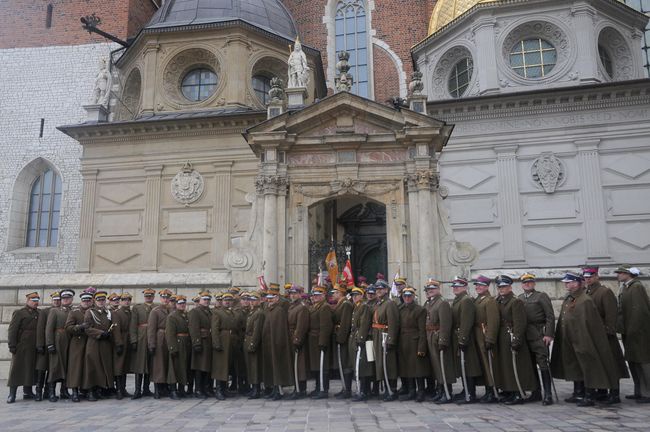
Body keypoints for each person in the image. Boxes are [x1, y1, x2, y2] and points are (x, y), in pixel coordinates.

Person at [551, 272, 619, 407]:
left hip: (584, 340)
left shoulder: (585, 300)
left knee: (589, 367)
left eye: (569, 282)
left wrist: (586, 340)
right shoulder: (570, 298)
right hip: (573, 339)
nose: (566, 284)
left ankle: (590, 395)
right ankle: (580, 392)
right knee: (578, 366)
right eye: (566, 282)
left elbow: (590, 323)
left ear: (577, 283)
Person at [583, 266, 629, 404]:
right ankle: (602, 391)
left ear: (597, 276)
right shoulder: (587, 292)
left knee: (611, 365)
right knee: (599, 365)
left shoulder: (604, 292)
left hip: (605, 336)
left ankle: (614, 394)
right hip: (593, 336)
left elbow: (611, 314)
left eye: (590, 276)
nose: (588, 279)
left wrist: (608, 331)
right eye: (585, 277)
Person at [493, 275, 538, 405]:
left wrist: (517, 340)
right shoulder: (499, 301)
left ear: (510, 287)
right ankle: (509, 390)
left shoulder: (515, 301)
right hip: (502, 337)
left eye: (504, 287)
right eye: (500, 287)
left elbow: (520, 323)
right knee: (506, 366)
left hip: (511, 335)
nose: (501, 289)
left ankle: (518, 393)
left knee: (516, 366)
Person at [518, 273, 555, 405]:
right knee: (530, 365)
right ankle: (536, 392)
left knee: (543, 364)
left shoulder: (541, 296)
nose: (527, 284)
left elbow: (550, 316)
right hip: (525, 335)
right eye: (524, 283)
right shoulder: (520, 298)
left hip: (539, 335)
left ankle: (548, 394)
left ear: (534, 283)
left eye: (530, 282)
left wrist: (549, 334)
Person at [615, 265, 650, 403]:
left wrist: (634, 329)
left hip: (638, 332)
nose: (618, 275)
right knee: (634, 362)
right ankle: (639, 391)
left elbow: (640, 311)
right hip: (629, 331)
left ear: (628, 274)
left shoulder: (636, 287)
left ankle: (647, 393)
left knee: (643, 361)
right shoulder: (626, 287)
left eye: (620, 273)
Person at [83, 290, 120, 401]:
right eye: (99, 300)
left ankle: (103, 389)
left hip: (105, 343)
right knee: (93, 367)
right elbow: (87, 328)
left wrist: (114, 339)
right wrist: (100, 333)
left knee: (105, 367)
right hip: (94, 343)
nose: (101, 302)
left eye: (103, 300)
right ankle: (91, 391)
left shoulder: (108, 312)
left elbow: (113, 327)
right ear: (95, 300)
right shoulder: (90, 312)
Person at [450, 277, 482, 404]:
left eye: (458, 286)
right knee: (463, 364)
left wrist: (463, 339)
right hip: (458, 336)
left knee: (468, 365)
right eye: (454, 286)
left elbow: (466, 322)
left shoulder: (466, 300)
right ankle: (466, 390)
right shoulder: (459, 300)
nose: (455, 288)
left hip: (465, 338)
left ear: (464, 287)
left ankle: (470, 393)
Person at [423, 279, 455, 404]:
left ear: (438, 289)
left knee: (443, 365)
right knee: (436, 366)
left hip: (438, 336)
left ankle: (447, 392)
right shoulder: (429, 303)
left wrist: (443, 340)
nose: (430, 291)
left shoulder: (442, 303)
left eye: (432, 289)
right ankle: (440, 390)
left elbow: (445, 324)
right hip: (430, 336)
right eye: (428, 289)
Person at [6, 292, 40, 404]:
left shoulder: (39, 313)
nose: (36, 302)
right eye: (33, 300)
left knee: (30, 369)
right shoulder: (19, 313)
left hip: (33, 346)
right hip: (21, 346)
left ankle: (28, 392)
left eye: (37, 300)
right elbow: (12, 330)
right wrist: (12, 345)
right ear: (28, 301)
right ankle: (12, 394)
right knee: (17, 370)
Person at [397, 286, 429, 402]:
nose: (407, 298)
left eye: (409, 296)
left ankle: (420, 391)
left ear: (413, 297)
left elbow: (422, 330)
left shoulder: (419, 310)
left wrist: (422, 347)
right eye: (405, 296)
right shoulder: (400, 309)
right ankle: (411, 391)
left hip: (415, 341)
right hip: (403, 341)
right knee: (407, 367)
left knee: (418, 368)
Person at [261, 283, 293, 399]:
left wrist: (278, 343)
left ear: (276, 298)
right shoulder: (269, 309)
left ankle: (278, 390)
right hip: (269, 343)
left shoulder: (279, 310)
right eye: (268, 298)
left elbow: (280, 329)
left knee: (277, 368)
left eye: (271, 298)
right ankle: (273, 389)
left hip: (276, 344)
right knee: (271, 368)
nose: (269, 300)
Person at [472, 275, 499, 404]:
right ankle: (488, 390)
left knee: (489, 364)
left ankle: (492, 392)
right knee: (483, 364)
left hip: (484, 334)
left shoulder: (489, 300)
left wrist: (490, 339)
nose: (478, 287)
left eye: (481, 285)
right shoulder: (478, 300)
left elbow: (493, 322)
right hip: (477, 334)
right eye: (476, 285)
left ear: (487, 287)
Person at [371, 279, 400, 401]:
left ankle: (392, 389)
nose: (378, 291)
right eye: (377, 289)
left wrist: (391, 340)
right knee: (381, 363)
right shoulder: (379, 303)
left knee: (389, 363)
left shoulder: (389, 304)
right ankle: (387, 388)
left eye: (381, 289)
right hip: (377, 335)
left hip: (385, 335)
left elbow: (393, 323)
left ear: (386, 290)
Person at [45, 289, 75, 402]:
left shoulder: (73, 311)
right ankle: (51, 392)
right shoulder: (55, 311)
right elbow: (49, 329)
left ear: (71, 299)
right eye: (64, 298)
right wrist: (50, 344)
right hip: (58, 341)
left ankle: (64, 391)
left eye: (68, 298)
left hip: (69, 341)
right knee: (55, 366)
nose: (66, 300)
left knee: (67, 366)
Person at [65, 290, 93, 402]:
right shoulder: (74, 312)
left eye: (88, 300)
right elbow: (68, 328)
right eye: (84, 300)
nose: (86, 302)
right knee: (76, 368)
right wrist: (80, 327)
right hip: (77, 343)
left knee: (89, 367)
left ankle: (89, 390)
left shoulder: (94, 312)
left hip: (90, 342)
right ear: (81, 301)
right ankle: (75, 392)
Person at [211, 292, 239, 400]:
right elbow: (214, 329)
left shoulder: (232, 313)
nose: (227, 302)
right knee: (220, 366)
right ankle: (219, 389)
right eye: (225, 300)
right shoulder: (217, 313)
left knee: (227, 365)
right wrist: (216, 343)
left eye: (229, 300)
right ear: (222, 301)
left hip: (231, 342)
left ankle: (224, 389)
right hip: (222, 341)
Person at [307, 285, 334, 399]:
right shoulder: (315, 306)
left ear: (323, 295)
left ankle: (324, 389)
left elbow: (325, 326)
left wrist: (322, 342)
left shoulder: (325, 307)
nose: (316, 297)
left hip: (320, 340)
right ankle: (318, 387)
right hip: (313, 340)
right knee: (317, 366)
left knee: (323, 366)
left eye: (318, 295)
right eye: (314, 295)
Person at [130, 288, 155, 399]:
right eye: (146, 296)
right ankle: (137, 390)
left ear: (153, 297)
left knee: (150, 364)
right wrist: (134, 340)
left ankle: (146, 388)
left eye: (150, 296)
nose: (148, 298)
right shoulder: (137, 308)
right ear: (144, 297)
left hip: (152, 339)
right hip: (140, 339)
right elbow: (133, 325)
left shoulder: (156, 308)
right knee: (139, 365)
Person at [35, 291, 60, 401]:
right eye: (55, 300)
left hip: (56, 345)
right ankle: (38, 392)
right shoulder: (45, 312)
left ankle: (49, 392)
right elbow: (40, 329)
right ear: (51, 300)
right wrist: (40, 344)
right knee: (41, 369)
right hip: (45, 346)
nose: (57, 302)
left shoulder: (62, 311)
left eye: (58, 300)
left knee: (52, 369)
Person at [286, 284, 310, 400]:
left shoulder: (302, 307)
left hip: (298, 338)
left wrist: (297, 340)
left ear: (300, 294)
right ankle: (297, 387)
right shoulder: (292, 306)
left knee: (300, 365)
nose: (293, 295)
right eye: (291, 293)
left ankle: (301, 389)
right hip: (290, 336)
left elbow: (301, 326)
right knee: (295, 364)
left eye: (295, 293)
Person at [148, 289, 173, 399]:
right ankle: (157, 389)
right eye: (163, 298)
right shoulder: (155, 311)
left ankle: (165, 387)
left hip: (170, 339)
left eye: (168, 298)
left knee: (168, 364)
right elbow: (151, 329)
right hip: (159, 339)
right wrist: (151, 344)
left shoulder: (173, 310)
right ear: (160, 298)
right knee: (159, 365)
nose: (166, 300)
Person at [166, 295, 191, 400]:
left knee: (183, 367)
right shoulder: (172, 316)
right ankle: (173, 390)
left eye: (184, 303)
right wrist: (172, 348)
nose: (182, 305)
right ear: (176, 305)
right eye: (180, 303)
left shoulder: (186, 315)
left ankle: (181, 389)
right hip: (177, 343)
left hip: (185, 344)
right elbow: (170, 334)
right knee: (174, 368)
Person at [189, 291, 213, 398]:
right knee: (199, 367)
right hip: (200, 342)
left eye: (208, 299)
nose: (207, 301)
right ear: (200, 300)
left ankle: (205, 388)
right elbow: (194, 328)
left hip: (208, 341)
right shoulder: (195, 312)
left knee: (206, 366)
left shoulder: (209, 312)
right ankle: (198, 389)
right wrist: (196, 343)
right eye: (204, 299)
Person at [331, 282, 353, 399]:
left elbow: (345, 323)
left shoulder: (346, 304)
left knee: (346, 363)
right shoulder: (341, 303)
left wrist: (341, 338)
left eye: (335, 293)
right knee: (342, 362)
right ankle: (344, 387)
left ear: (340, 293)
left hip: (343, 338)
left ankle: (347, 389)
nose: (333, 295)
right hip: (339, 336)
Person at [244, 292, 265, 399]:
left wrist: (253, 344)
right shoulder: (252, 312)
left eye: (254, 300)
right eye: (250, 300)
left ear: (259, 300)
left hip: (253, 341)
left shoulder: (259, 313)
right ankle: (253, 388)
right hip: (248, 339)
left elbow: (257, 331)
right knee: (250, 366)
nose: (252, 302)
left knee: (255, 366)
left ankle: (256, 390)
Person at [112, 292, 132, 400]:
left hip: (128, 340)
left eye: (128, 300)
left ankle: (123, 388)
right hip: (121, 340)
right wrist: (119, 343)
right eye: (124, 300)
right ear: (121, 301)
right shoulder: (117, 313)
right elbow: (116, 330)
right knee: (119, 367)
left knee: (125, 367)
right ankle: (119, 389)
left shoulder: (130, 312)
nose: (126, 301)